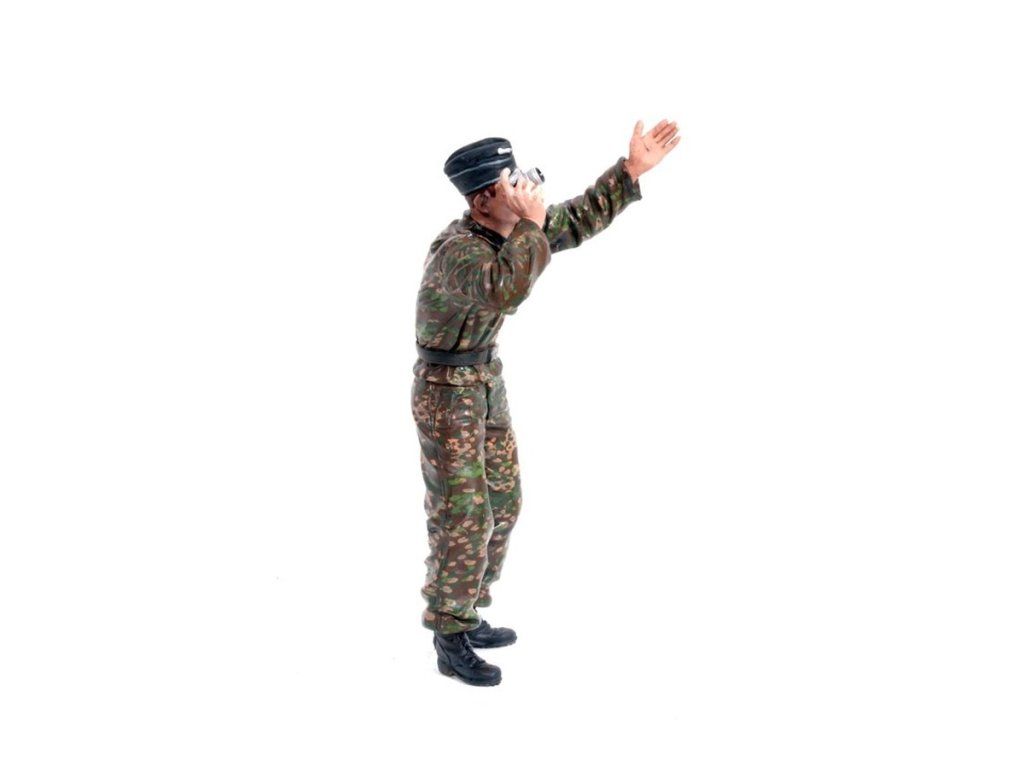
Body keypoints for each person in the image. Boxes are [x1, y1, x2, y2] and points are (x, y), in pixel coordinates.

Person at [411, 120, 681, 685]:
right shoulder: (459, 252)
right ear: (483, 200)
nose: (526, 193)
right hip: (447, 393)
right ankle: (448, 632)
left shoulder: (512, 231)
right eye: (511, 185)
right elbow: (507, 288)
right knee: (464, 513)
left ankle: (468, 610)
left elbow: (575, 220)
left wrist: (630, 171)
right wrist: (532, 224)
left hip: (483, 380)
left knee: (504, 503)